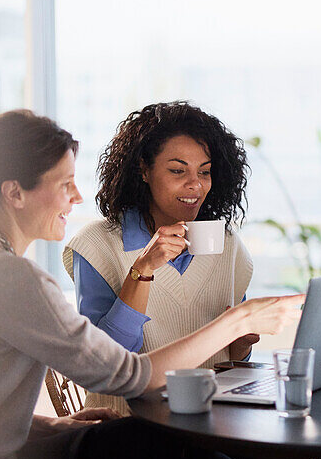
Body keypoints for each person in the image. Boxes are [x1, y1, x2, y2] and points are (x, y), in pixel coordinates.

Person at [0, 110, 303, 459]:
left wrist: (49, 425)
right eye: (65, 184)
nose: (77, 197)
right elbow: (129, 377)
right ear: (14, 194)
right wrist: (240, 319)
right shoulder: (12, 278)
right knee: (185, 450)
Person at [62, 102, 256, 411]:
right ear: (144, 170)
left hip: (212, 424)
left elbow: (232, 359)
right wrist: (144, 268)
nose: (195, 185)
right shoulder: (97, 245)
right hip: (127, 428)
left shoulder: (228, 245)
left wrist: (242, 344)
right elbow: (102, 364)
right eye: (178, 171)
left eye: (204, 172)